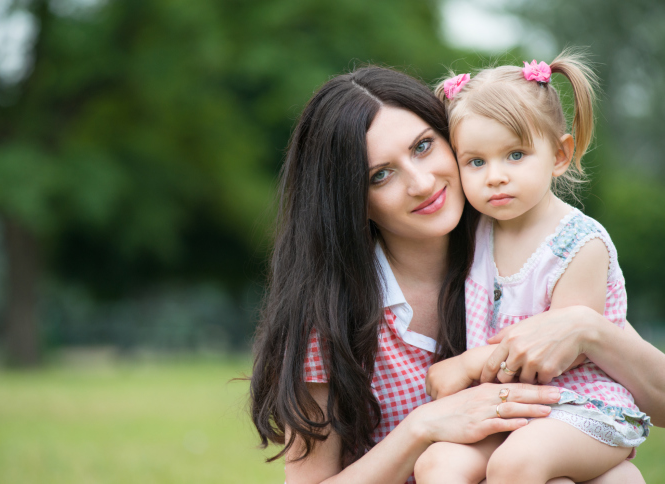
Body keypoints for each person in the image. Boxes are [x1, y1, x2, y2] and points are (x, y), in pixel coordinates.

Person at [250, 65, 665, 484]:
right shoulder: (330, 315)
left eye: (424, 146)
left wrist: (585, 328)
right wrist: (421, 427)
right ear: (351, 202)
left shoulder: (520, 248)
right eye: (381, 175)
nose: (422, 182)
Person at [416, 51, 649, 484]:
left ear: (560, 155)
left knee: (514, 464)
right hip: (510, 404)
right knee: (437, 464)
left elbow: (556, 353)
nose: (495, 176)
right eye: (476, 162)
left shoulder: (579, 243)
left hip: (580, 406)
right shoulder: (477, 232)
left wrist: (467, 364)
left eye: (516, 155)